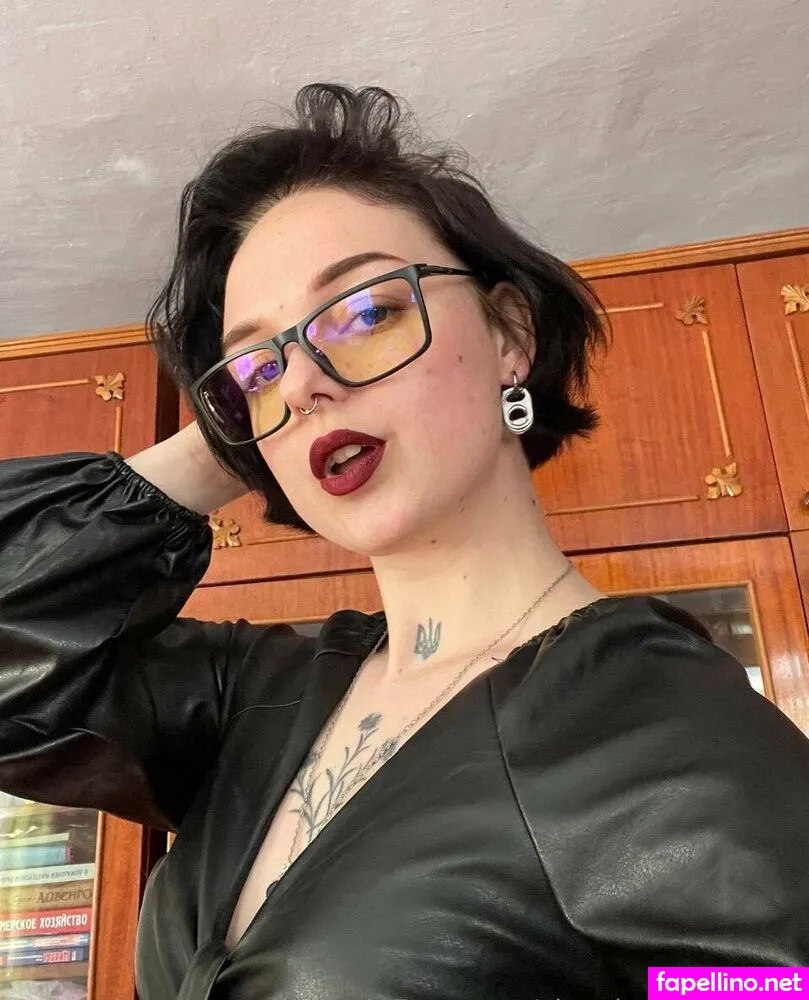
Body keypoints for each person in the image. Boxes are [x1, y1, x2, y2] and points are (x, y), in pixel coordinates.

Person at [0, 83, 807, 1000]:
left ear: (509, 336)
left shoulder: (643, 718)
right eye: (258, 366)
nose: (300, 384)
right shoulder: (255, 700)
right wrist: (232, 436)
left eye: (364, 313)